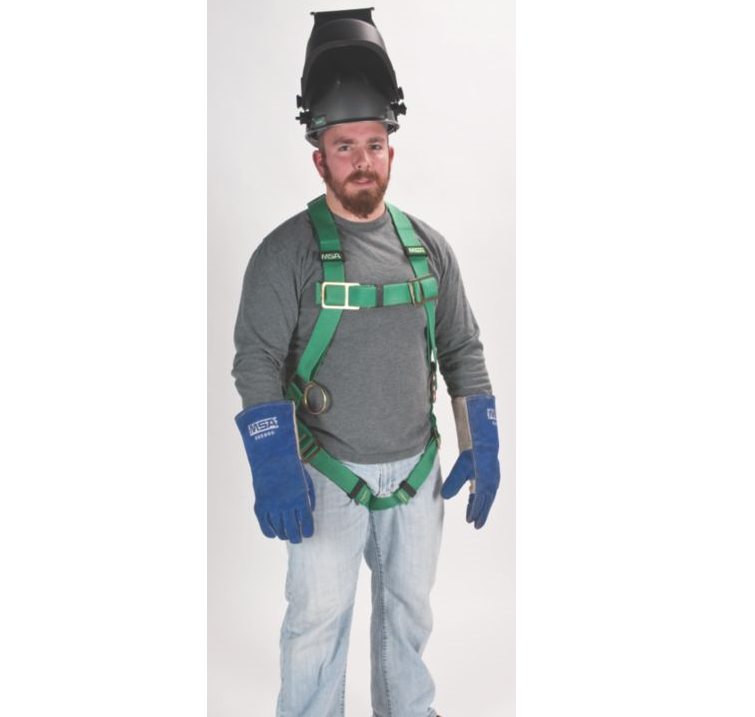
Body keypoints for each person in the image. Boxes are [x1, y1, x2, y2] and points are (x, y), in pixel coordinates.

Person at [232, 9, 500, 717]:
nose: (361, 159)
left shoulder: (428, 249)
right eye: (344, 146)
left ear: (391, 151)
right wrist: (274, 464)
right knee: (315, 628)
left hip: (416, 474)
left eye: (374, 144)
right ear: (319, 158)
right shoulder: (284, 255)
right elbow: (256, 361)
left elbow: (462, 347)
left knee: (409, 619)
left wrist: (480, 438)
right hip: (325, 475)